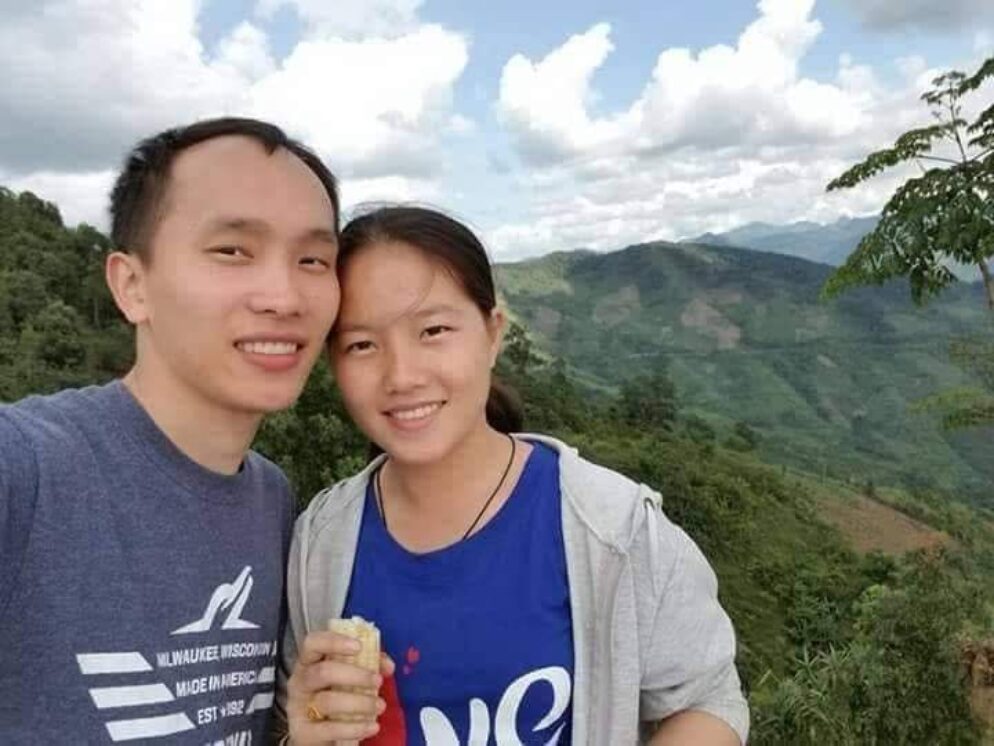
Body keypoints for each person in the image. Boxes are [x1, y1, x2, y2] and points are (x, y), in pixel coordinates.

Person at [276, 206, 749, 744]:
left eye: (433, 330)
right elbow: (299, 722)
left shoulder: (610, 527)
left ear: (493, 333)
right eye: (362, 344)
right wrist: (306, 729)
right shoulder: (321, 542)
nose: (401, 375)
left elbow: (708, 701)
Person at [0, 117, 387, 744]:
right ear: (132, 285)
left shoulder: (272, 501)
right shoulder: (28, 471)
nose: (284, 295)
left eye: (313, 259)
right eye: (233, 250)